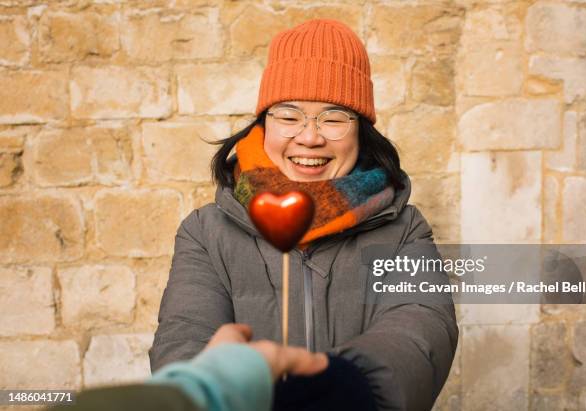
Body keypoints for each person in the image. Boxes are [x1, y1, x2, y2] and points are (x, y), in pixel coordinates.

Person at [150, 18, 459, 411]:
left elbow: (422, 330)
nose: (310, 136)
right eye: (289, 115)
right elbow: (184, 337)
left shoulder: (403, 229)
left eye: (333, 117)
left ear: (360, 130)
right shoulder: (205, 233)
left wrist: (341, 388)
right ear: (263, 124)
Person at [49, 323, 328, 411]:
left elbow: (374, 343)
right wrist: (214, 388)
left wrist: (342, 377)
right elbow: (183, 338)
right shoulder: (206, 228)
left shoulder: (374, 229)